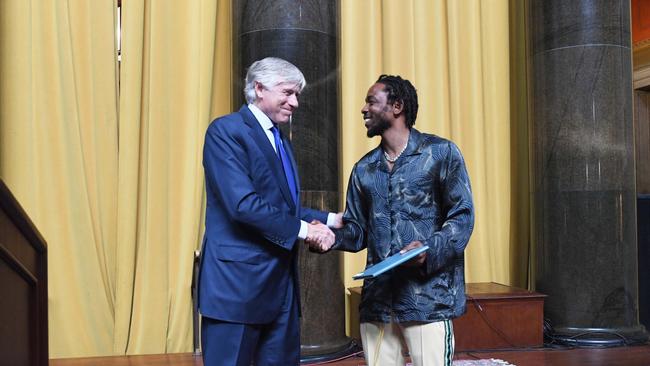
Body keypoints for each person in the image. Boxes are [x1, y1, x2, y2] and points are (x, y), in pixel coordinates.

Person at [321, 75, 474, 366]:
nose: (364, 109)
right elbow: (356, 232)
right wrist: (330, 237)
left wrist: (428, 249)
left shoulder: (441, 153)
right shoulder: (364, 169)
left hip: (427, 299)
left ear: (397, 106)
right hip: (378, 303)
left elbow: (462, 217)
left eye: (371, 101)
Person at [198, 57, 340, 366]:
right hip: (235, 290)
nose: (295, 102)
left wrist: (333, 220)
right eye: (288, 92)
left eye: (297, 94)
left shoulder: (280, 140)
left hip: (281, 290)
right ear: (259, 88)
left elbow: (281, 209)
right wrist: (308, 231)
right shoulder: (226, 131)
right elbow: (243, 205)